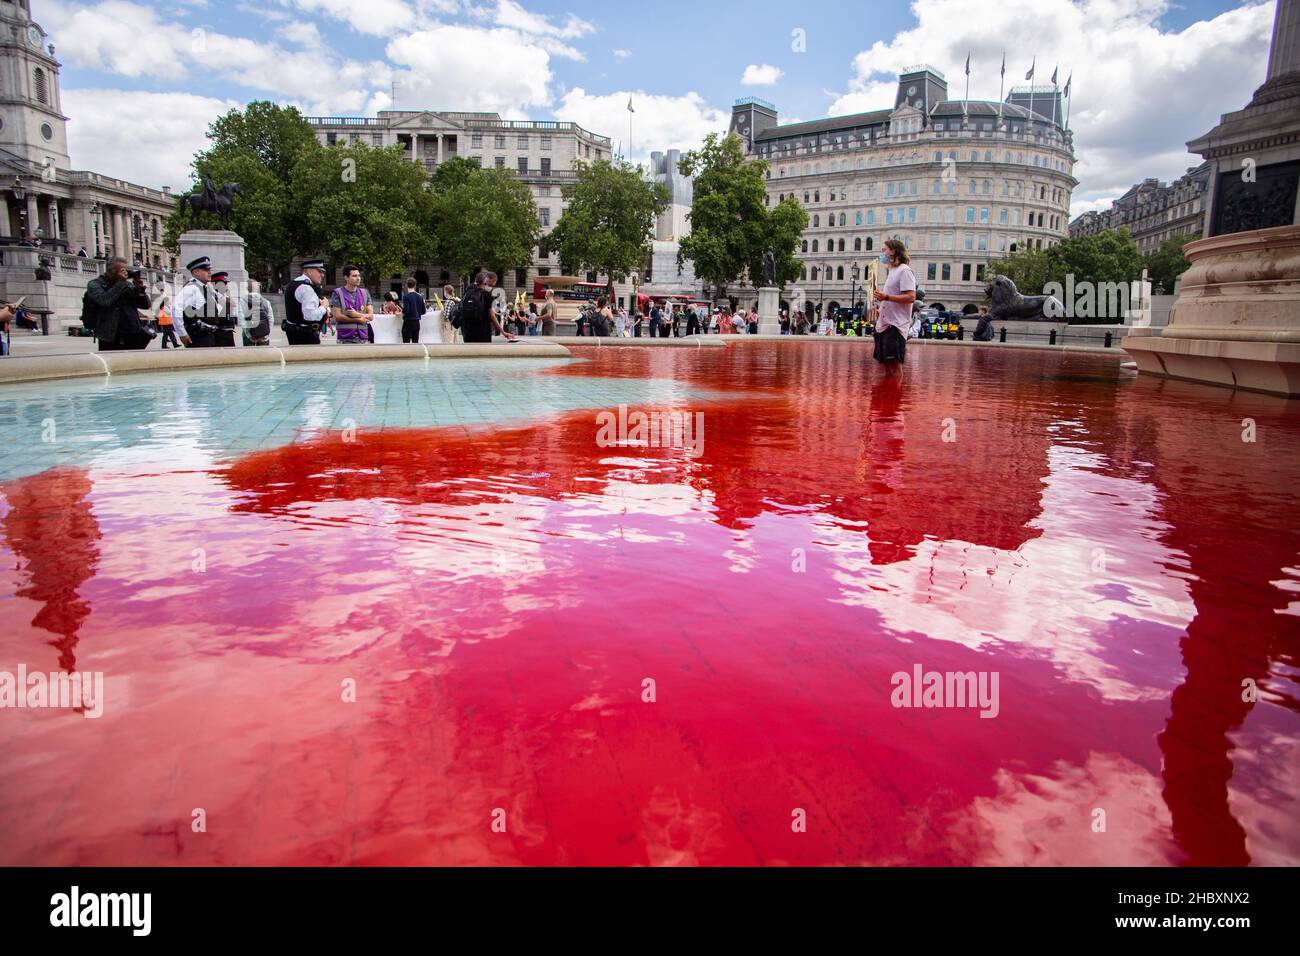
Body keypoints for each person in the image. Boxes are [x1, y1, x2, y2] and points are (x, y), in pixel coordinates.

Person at [84, 257, 151, 351]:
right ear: (111, 270)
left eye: (126, 270)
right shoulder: (95, 284)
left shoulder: (127, 284)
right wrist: (120, 283)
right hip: (110, 336)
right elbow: (105, 301)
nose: (125, 273)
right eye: (122, 270)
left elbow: (145, 305)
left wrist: (139, 290)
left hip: (133, 334)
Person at [872, 238, 916, 379]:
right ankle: (889, 396)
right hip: (885, 324)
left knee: (895, 365)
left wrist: (886, 298)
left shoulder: (905, 271)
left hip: (895, 326)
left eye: (884, 250)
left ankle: (894, 397)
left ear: (893, 251)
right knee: (887, 364)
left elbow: (911, 297)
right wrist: (882, 308)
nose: (882, 253)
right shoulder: (893, 271)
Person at [172, 255, 220, 348]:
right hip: (199, 338)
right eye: (206, 270)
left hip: (208, 336)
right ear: (195, 272)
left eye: (210, 269)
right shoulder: (192, 288)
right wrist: (182, 333)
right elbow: (175, 308)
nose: (210, 272)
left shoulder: (204, 288)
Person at [459, 271, 515, 343]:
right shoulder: (486, 295)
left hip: (467, 329)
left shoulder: (467, 292)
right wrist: (503, 332)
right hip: (482, 330)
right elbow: (492, 316)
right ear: (486, 282)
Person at [283, 259, 329, 345]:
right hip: (306, 336)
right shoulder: (306, 288)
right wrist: (324, 307)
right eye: (319, 271)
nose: (322, 275)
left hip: (296, 333)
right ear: (309, 271)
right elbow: (310, 316)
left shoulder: (295, 283)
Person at [331, 265, 373, 344]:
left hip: (363, 337)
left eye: (359, 275)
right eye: (354, 276)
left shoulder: (365, 293)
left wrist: (356, 314)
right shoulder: (338, 293)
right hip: (345, 337)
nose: (358, 278)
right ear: (346, 278)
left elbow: (371, 316)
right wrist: (357, 319)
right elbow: (338, 316)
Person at [208, 270, 239, 347]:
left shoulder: (227, 298)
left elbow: (234, 315)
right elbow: (211, 317)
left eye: (226, 283)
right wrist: (221, 304)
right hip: (218, 334)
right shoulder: (212, 298)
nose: (226, 286)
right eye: (223, 284)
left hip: (229, 333)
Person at [242, 279, 274, 346]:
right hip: (263, 334)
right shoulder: (266, 302)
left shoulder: (243, 301)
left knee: (249, 355)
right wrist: (266, 335)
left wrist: (249, 336)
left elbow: (243, 320)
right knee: (263, 355)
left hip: (250, 333)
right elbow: (270, 319)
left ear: (247, 288)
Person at [400, 278, 426, 344]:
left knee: (406, 343)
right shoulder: (420, 296)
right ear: (415, 285)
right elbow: (423, 311)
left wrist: (400, 312)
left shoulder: (406, 296)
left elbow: (406, 311)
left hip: (408, 322)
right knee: (415, 343)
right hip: (417, 322)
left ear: (406, 285)